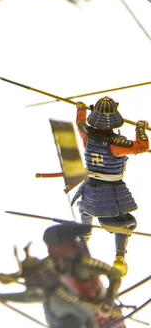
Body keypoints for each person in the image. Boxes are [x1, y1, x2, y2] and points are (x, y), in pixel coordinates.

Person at [74, 97, 148, 275]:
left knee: (85, 208)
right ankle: (120, 258)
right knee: (124, 222)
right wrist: (140, 127)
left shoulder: (87, 136)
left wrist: (80, 109)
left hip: (90, 186)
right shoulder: (116, 144)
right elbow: (142, 146)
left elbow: (80, 122)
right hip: (111, 190)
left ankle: (84, 236)